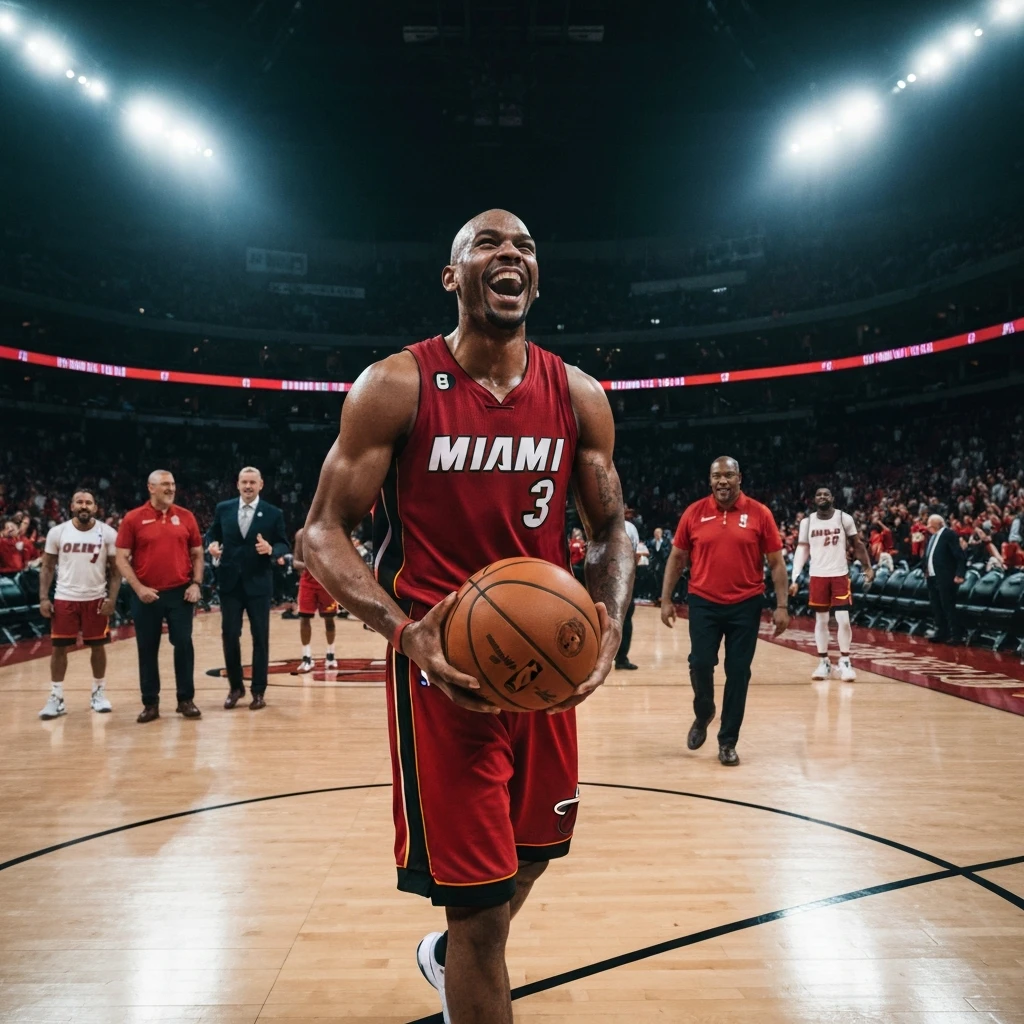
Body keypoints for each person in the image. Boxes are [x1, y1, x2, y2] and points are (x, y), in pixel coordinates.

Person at [303, 209, 633, 1024]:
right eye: (487, 244)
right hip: (443, 674)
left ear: (536, 278)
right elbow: (321, 530)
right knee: (482, 912)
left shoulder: (578, 394)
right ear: (453, 277)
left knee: (533, 856)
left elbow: (611, 529)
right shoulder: (397, 385)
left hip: (543, 669)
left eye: (523, 245)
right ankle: (465, 958)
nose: (510, 253)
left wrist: (611, 624)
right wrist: (404, 632)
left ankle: (447, 961)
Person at [659, 456, 789, 767]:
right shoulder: (694, 513)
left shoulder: (760, 514)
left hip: (746, 604)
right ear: (709, 480)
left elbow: (776, 563)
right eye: (717, 475)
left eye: (729, 475)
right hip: (703, 601)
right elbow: (677, 559)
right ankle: (704, 712)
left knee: (738, 674)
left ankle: (728, 741)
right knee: (700, 663)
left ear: (739, 478)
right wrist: (665, 599)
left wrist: (782, 605)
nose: (722, 481)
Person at [115, 470, 204, 723]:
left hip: (180, 593)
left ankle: (185, 700)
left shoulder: (186, 516)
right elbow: (121, 558)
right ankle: (150, 703)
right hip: (146, 594)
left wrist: (196, 583)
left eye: (173, 484)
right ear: (151, 487)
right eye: (165, 484)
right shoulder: (133, 518)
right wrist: (138, 588)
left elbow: (197, 553)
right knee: (147, 649)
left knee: (184, 645)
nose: (171, 488)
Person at [206, 467, 290, 710]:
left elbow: (284, 544)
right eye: (244, 482)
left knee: (260, 638)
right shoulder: (224, 509)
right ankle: (235, 687)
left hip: (259, 584)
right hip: (229, 584)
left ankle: (258, 691)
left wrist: (272, 550)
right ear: (238, 484)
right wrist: (211, 545)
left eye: (253, 482)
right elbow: (212, 534)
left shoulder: (274, 514)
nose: (248, 486)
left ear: (261, 484)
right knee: (230, 636)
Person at [37, 490, 121, 718]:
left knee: (98, 646)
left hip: (95, 598)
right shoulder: (58, 532)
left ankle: (98, 692)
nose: (84, 506)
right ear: (72, 506)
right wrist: (44, 598)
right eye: (80, 502)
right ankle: (56, 697)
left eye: (88, 503)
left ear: (95, 507)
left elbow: (115, 572)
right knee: (59, 648)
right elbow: (46, 567)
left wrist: (111, 599)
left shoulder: (108, 533)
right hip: (65, 598)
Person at [789, 486, 874, 682]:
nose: (822, 497)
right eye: (818, 494)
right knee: (821, 620)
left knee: (843, 619)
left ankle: (845, 661)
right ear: (814, 499)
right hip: (818, 575)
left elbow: (857, 544)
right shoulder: (807, 522)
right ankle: (823, 662)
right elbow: (802, 550)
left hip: (839, 574)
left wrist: (867, 567)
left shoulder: (844, 518)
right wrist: (795, 578)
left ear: (832, 498)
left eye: (826, 494)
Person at [292, 525, 339, 674]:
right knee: (304, 619)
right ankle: (306, 657)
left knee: (329, 620)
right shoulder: (301, 534)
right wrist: (311, 565)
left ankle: (330, 655)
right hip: (308, 581)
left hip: (326, 582)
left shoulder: (331, 533)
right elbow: (295, 562)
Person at [924, 514, 966, 646]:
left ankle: (956, 635)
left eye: (929, 524)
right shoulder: (933, 537)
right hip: (932, 576)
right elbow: (928, 555)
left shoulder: (949, 534)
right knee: (936, 606)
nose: (928, 527)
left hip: (945, 576)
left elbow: (959, 555)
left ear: (936, 524)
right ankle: (941, 632)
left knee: (948, 605)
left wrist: (960, 573)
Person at [614, 508, 641, 671]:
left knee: (599, 619)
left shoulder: (599, 525)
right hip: (624, 578)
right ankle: (621, 659)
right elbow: (636, 554)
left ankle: (592, 662)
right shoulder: (630, 528)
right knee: (626, 620)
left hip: (601, 578)